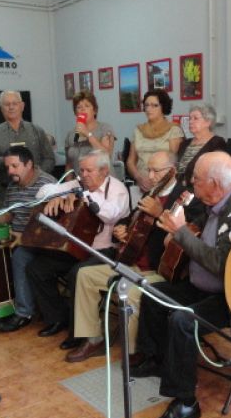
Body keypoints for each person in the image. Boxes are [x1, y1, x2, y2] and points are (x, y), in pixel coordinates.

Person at [132, 151, 231, 418]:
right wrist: (179, 231)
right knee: (152, 294)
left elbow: (220, 264)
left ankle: (186, 402)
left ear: (214, 183)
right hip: (198, 287)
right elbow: (196, 230)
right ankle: (157, 360)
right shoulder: (212, 203)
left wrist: (181, 234)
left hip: (228, 298)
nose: (191, 184)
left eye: (197, 180)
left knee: (182, 319)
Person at [68, 151, 180, 362]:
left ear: (172, 171)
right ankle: (94, 339)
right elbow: (129, 219)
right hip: (131, 260)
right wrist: (121, 229)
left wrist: (160, 214)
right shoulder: (151, 193)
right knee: (84, 275)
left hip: (157, 269)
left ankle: (134, 353)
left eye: (156, 171)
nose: (150, 176)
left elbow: (182, 236)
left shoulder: (184, 197)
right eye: (148, 170)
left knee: (129, 292)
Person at [27, 149, 129, 347]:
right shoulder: (78, 183)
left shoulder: (118, 189)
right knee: (37, 268)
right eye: (81, 170)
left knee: (77, 274)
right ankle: (58, 318)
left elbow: (110, 215)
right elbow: (41, 191)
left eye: (89, 170)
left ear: (104, 171)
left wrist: (83, 195)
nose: (84, 175)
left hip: (105, 251)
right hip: (77, 248)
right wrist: (57, 197)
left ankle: (79, 333)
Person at [0, 146, 57, 332]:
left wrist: (25, 238)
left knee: (20, 256)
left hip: (41, 240)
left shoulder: (48, 185)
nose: (10, 171)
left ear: (29, 165)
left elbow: (52, 224)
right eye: (8, 167)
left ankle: (23, 313)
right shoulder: (12, 186)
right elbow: (9, 215)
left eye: (15, 166)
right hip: (18, 238)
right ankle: (4, 305)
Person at [0, 90, 55, 197]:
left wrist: (35, 175)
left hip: (38, 190)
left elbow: (49, 158)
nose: (11, 107)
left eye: (14, 103)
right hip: (6, 191)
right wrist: (7, 161)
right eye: (7, 104)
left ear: (22, 106)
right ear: (1, 108)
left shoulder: (37, 131)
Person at [126, 89, 184, 192]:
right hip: (141, 185)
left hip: (164, 185)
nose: (149, 109)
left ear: (163, 107)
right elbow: (130, 161)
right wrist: (139, 178)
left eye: (154, 105)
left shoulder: (173, 130)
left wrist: (158, 181)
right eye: (147, 105)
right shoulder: (138, 130)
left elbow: (174, 163)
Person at [176, 103, 226, 187]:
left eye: (195, 118)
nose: (191, 121)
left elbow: (216, 172)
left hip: (201, 190)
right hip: (179, 190)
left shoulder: (217, 142)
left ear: (208, 122)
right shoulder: (184, 143)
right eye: (190, 118)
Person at [64, 91, 115, 171]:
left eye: (87, 106)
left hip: (102, 177)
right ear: (75, 112)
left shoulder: (105, 128)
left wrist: (87, 134)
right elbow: (69, 165)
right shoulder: (70, 134)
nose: (83, 109)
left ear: (94, 110)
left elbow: (107, 156)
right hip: (79, 178)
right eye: (79, 107)